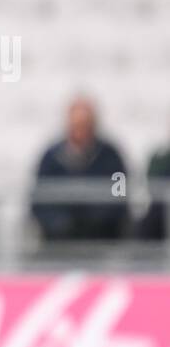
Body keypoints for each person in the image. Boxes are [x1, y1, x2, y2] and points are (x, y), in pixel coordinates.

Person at [30, 97, 129, 241]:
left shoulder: (111, 156)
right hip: (59, 244)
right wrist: (60, 224)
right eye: (77, 125)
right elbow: (39, 202)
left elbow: (120, 198)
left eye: (86, 125)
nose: (81, 131)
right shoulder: (51, 157)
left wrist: (95, 222)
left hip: (102, 240)